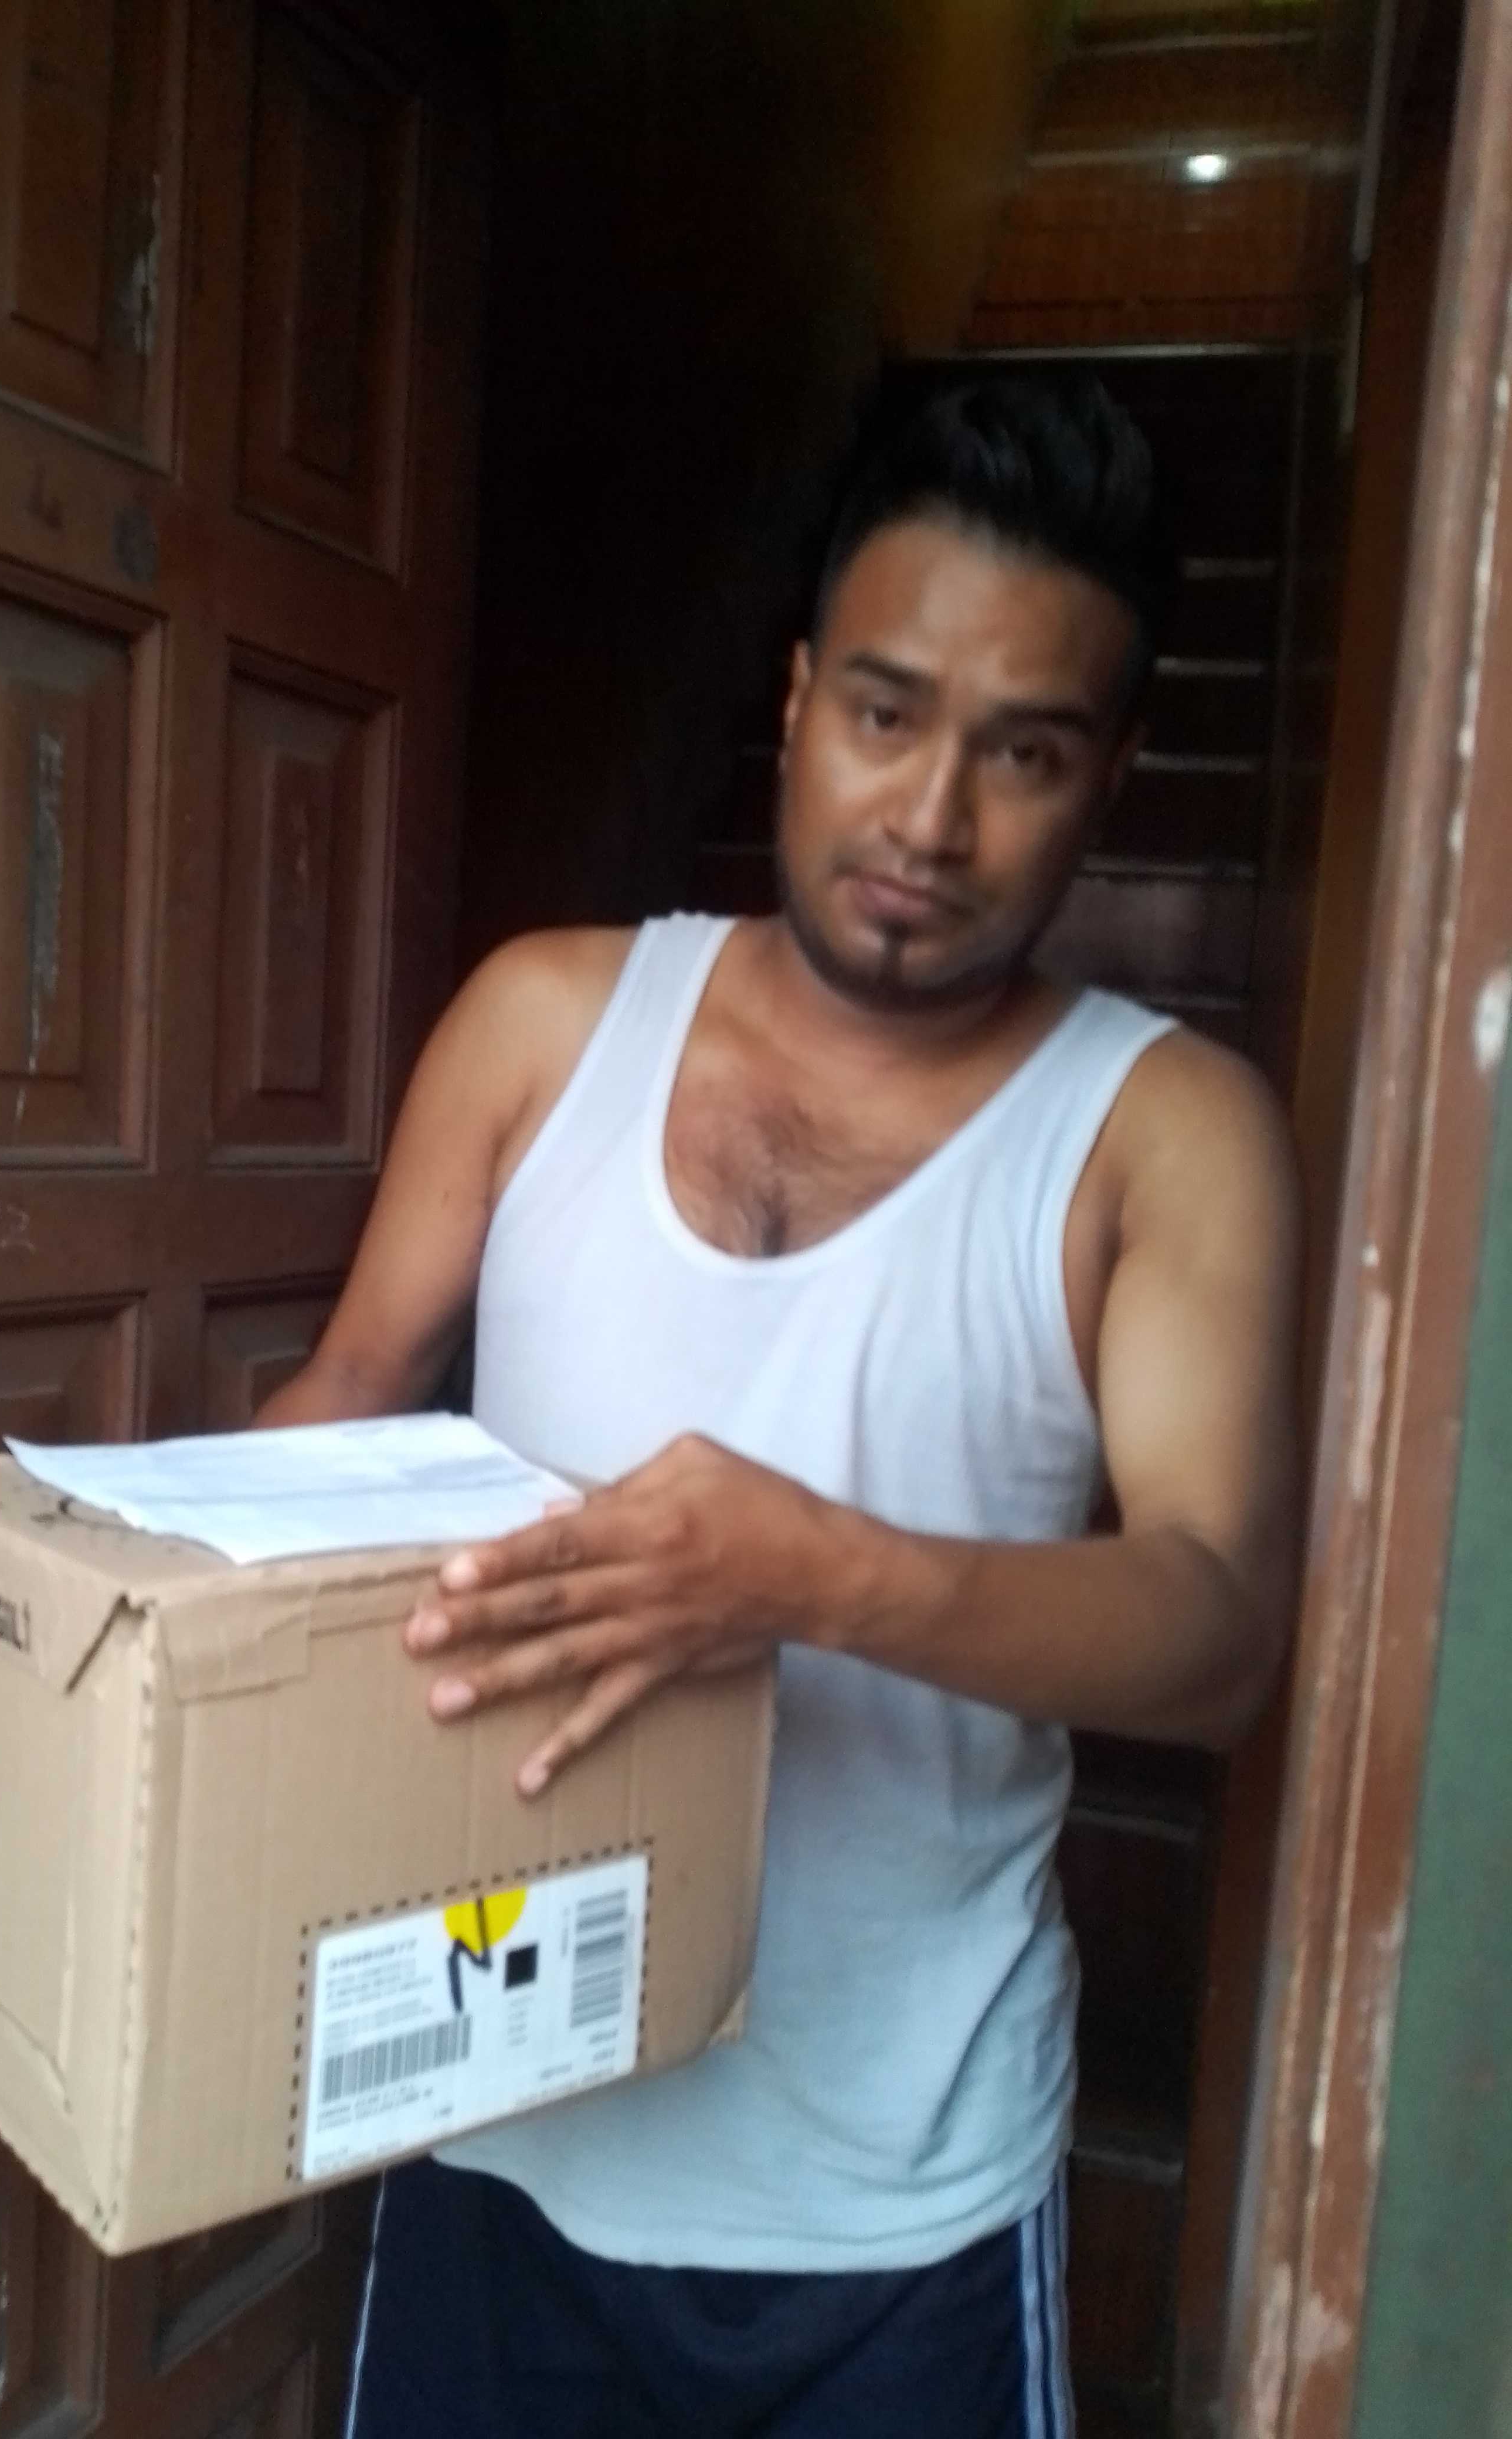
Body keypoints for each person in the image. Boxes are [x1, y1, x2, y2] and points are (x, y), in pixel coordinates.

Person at [254, 375, 1302, 2439]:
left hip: (898, 2205)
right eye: (887, 715)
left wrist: (812, 1574)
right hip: (495, 2108)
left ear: (1111, 778)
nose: (929, 820)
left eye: (1025, 753)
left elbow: (1215, 1631)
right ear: (804, 693)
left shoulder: (1163, 1132)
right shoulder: (546, 1018)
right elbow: (351, 1398)